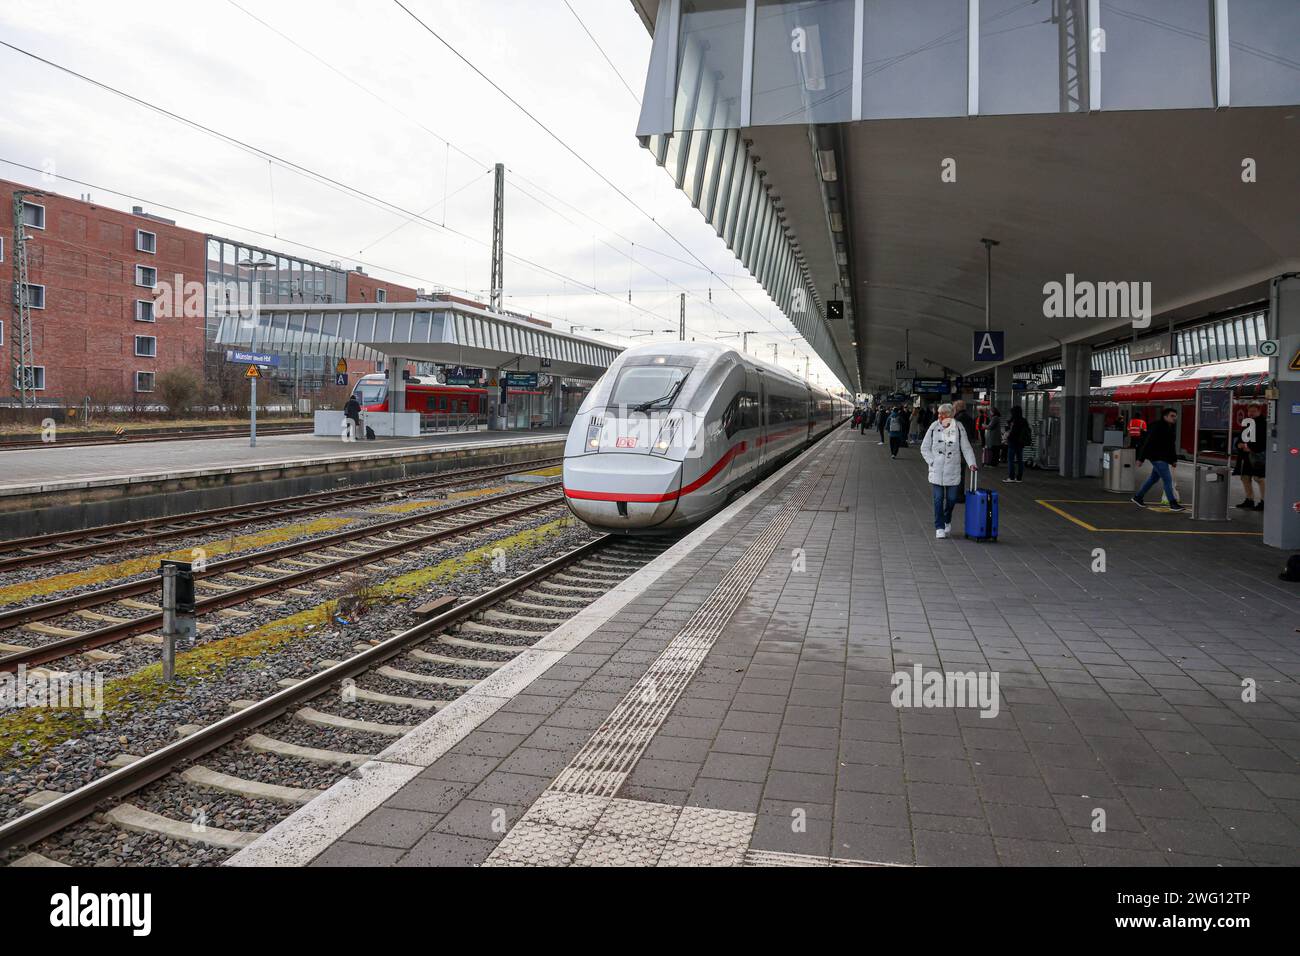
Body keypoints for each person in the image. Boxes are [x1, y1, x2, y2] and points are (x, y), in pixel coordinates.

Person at [921, 402, 978, 539]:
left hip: (953, 469)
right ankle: (939, 526)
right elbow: (924, 447)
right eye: (939, 413)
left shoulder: (959, 427)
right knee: (938, 499)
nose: (940, 416)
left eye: (943, 413)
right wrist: (932, 461)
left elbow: (966, 447)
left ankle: (947, 518)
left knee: (952, 499)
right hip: (937, 469)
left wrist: (972, 463)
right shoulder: (934, 427)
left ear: (951, 414)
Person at [1131, 407, 1185, 512]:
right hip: (1157, 457)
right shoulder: (1157, 426)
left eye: (1175, 416)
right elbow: (1148, 442)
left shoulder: (1170, 427)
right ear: (1165, 417)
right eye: (1172, 416)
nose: (1175, 418)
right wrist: (1140, 458)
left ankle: (1138, 497)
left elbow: (1171, 446)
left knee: (1153, 478)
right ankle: (1173, 504)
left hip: (1162, 458)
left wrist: (1173, 460)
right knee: (1168, 480)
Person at [1234, 404, 1266, 510]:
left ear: (1259, 411)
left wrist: (1250, 447)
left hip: (1258, 456)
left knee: (1260, 478)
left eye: (1253, 411)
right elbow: (1241, 437)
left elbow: (1264, 440)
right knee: (1245, 477)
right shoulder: (1247, 423)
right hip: (1246, 456)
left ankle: (1264, 501)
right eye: (1249, 411)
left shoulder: (1264, 423)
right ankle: (1249, 499)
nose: (1251, 413)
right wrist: (1239, 444)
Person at [953, 399, 978, 502]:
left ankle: (958, 495)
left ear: (957, 408)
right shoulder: (968, 417)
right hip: (964, 448)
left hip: (959, 449)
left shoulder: (959, 419)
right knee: (960, 472)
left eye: (954, 407)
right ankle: (958, 494)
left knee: (958, 473)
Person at [1004, 406, 1031, 482]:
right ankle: (1019, 478)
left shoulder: (1014, 421)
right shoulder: (1024, 421)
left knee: (1011, 460)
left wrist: (1007, 438)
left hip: (1012, 442)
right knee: (1020, 460)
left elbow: (1012, 432)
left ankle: (1011, 477)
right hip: (1021, 443)